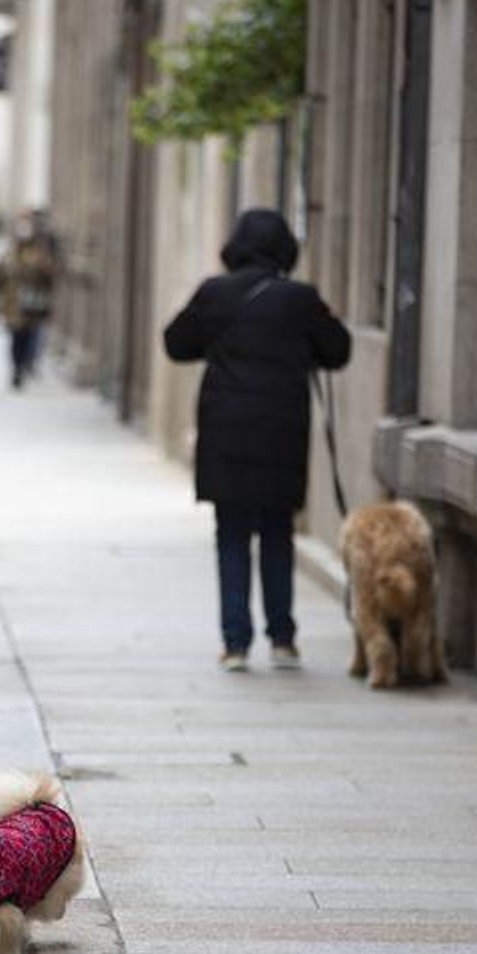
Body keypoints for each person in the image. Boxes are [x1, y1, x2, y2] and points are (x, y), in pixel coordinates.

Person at [163, 208, 351, 671]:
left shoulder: (215, 293)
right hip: (281, 436)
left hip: (225, 433)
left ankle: (235, 643)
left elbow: (176, 343)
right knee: (277, 533)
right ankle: (283, 638)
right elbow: (338, 350)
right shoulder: (301, 299)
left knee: (230, 534)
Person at [0, 210, 58, 389]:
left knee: (29, 336)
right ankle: (16, 370)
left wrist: (42, 268)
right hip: (13, 305)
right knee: (15, 338)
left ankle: (24, 365)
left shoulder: (38, 252)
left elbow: (49, 278)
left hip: (32, 306)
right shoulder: (9, 252)